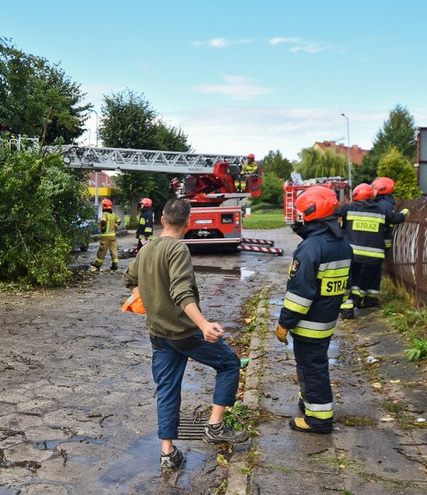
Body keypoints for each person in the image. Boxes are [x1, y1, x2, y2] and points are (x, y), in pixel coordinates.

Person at [123, 199, 248, 472]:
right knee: (228, 363)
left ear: (162, 219)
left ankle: (167, 453)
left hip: (158, 334)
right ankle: (215, 426)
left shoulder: (146, 250)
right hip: (185, 333)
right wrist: (203, 325)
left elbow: (128, 278)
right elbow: (182, 292)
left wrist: (146, 290)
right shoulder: (177, 249)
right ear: (187, 222)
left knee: (167, 389)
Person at [276, 186, 352, 434]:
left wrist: (284, 322)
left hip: (309, 323)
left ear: (311, 212)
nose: (299, 218)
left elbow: (301, 292)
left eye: (301, 213)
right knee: (312, 363)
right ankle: (307, 400)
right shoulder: (341, 243)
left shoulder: (311, 247)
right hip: (326, 320)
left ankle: (319, 420)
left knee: (312, 367)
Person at [335, 183, 408, 313]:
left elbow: (334, 212)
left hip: (354, 254)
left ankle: (348, 307)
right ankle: (362, 298)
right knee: (368, 276)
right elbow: (398, 218)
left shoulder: (349, 209)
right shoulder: (382, 210)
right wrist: (405, 212)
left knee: (351, 278)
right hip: (375, 256)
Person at [91, 199, 121, 271]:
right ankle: (115, 265)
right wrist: (115, 227)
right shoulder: (113, 215)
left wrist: (103, 229)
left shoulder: (105, 214)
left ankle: (97, 264)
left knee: (102, 250)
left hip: (105, 237)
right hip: (113, 236)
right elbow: (119, 220)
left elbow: (103, 222)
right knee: (114, 250)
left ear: (104, 206)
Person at [372, 177, 397, 251]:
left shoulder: (384, 204)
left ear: (381, 189)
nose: (372, 190)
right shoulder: (384, 202)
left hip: (380, 243)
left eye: (374, 188)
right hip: (382, 242)